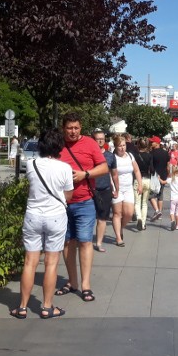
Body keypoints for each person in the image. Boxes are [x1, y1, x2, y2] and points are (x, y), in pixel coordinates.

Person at [10, 128, 75, 320]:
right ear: (59, 146)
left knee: (30, 262)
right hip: (56, 216)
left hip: (33, 215)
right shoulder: (65, 168)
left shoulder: (31, 164)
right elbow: (68, 196)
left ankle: (22, 307)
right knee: (51, 263)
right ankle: (47, 307)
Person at [56, 112, 108, 303]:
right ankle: (72, 281)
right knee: (68, 242)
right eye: (69, 128)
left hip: (85, 201)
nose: (73, 131)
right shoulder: (58, 144)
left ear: (81, 127)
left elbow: (104, 168)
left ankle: (86, 285)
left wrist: (85, 174)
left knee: (85, 241)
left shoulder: (89, 143)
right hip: (61, 203)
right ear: (64, 128)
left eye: (76, 128)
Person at [110, 134, 141, 248]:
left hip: (128, 188)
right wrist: (113, 188)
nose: (122, 148)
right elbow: (110, 174)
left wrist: (140, 184)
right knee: (117, 213)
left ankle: (121, 228)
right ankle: (118, 237)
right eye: (119, 146)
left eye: (124, 145)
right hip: (117, 189)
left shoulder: (130, 156)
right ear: (115, 147)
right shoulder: (113, 157)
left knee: (128, 213)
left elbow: (137, 171)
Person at [92, 130, 119, 253]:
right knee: (89, 217)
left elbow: (114, 174)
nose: (100, 141)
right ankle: (84, 241)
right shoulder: (89, 154)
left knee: (102, 217)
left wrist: (116, 188)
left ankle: (98, 243)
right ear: (93, 140)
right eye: (98, 139)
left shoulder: (110, 155)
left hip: (105, 189)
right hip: (90, 189)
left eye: (102, 138)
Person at [132, 137, 153, 230]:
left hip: (137, 180)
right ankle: (143, 224)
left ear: (138, 145)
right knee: (144, 203)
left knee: (137, 202)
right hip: (147, 180)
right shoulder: (149, 156)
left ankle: (139, 218)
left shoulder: (134, 156)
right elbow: (152, 169)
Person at [149, 136, 169, 223]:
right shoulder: (165, 153)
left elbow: (151, 166)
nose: (151, 143)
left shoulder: (152, 153)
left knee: (151, 195)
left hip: (154, 176)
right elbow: (168, 165)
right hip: (163, 175)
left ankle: (157, 211)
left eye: (152, 142)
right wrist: (168, 175)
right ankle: (159, 212)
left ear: (156, 143)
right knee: (160, 194)